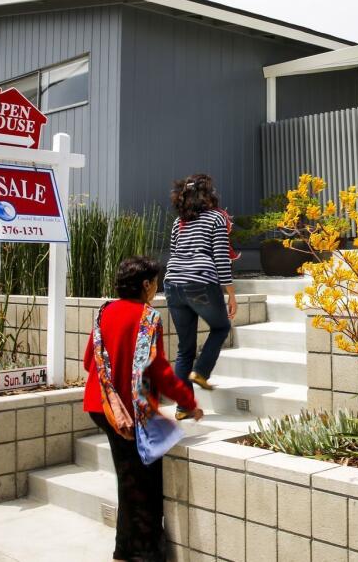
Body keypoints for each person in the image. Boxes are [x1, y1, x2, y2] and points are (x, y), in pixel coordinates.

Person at [83, 256, 203, 562]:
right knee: (143, 483)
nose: (156, 288)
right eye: (155, 282)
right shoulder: (148, 318)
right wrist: (188, 402)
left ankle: (124, 550)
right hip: (130, 414)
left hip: (103, 408)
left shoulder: (105, 312)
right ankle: (143, 553)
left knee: (129, 478)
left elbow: (89, 362)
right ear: (146, 285)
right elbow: (160, 370)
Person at [164, 174, 237, 417]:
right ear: (209, 194)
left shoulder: (179, 222)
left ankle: (183, 407)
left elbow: (174, 254)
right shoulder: (216, 218)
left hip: (173, 284)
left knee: (185, 349)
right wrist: (231, 294)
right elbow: (220, 257)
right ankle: (201, 372)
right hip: (200, 282)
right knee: (221, 328)